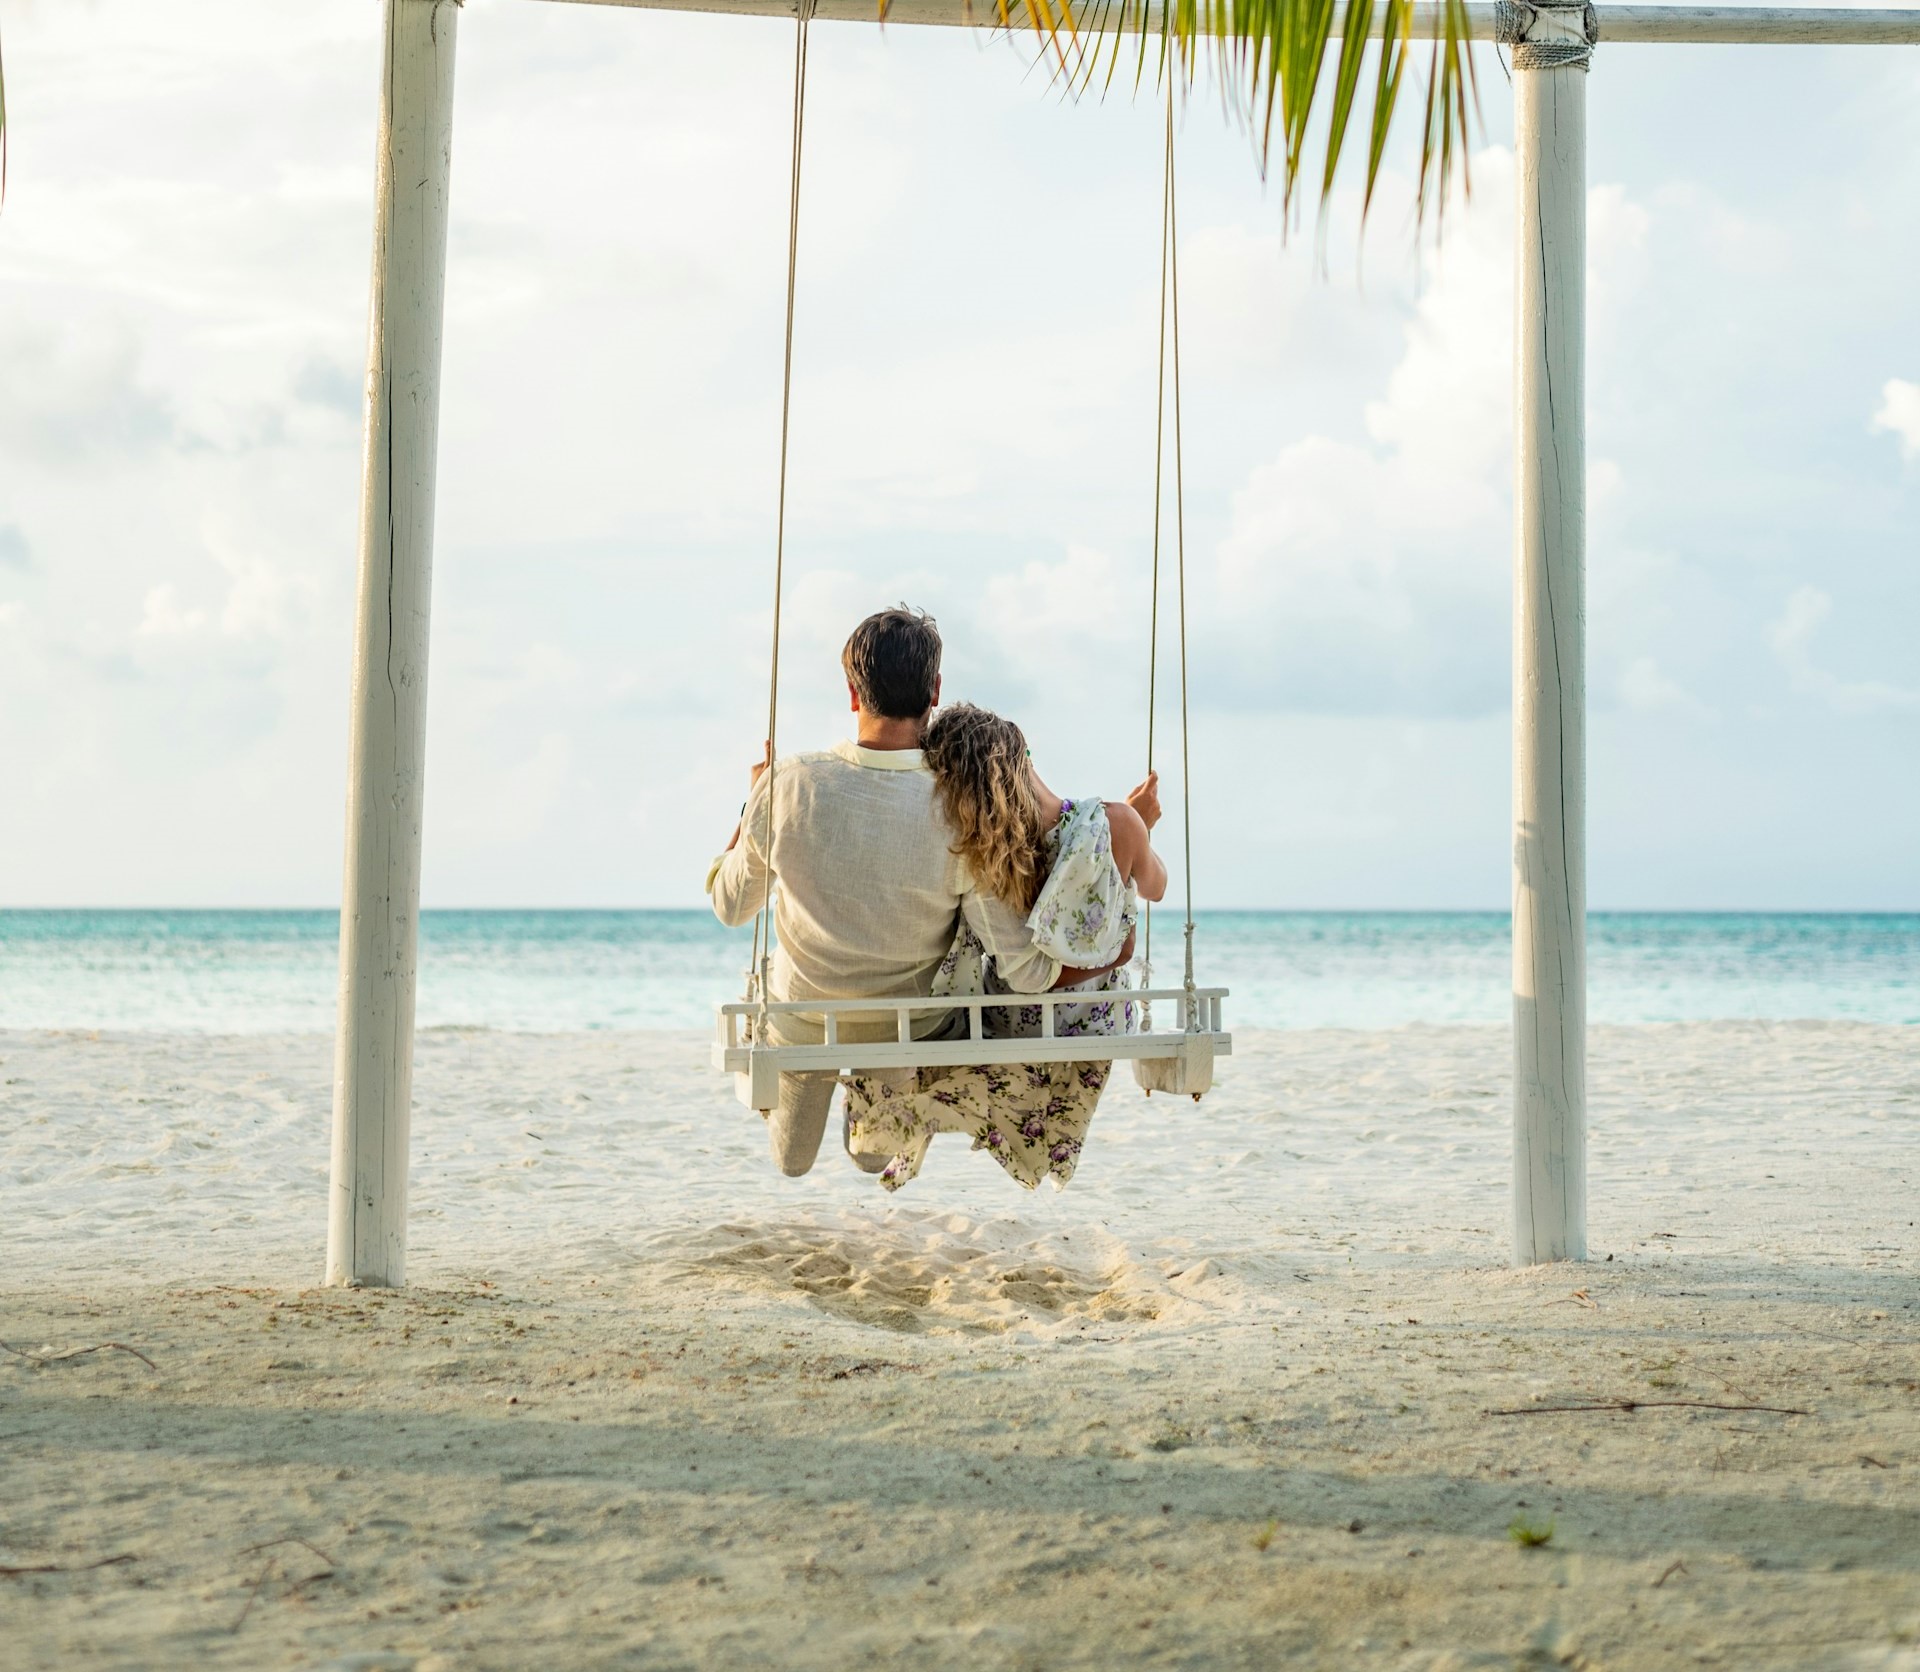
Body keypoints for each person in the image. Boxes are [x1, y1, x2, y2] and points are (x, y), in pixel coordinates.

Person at [707, 608, 1134, 1177]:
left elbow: (730, 906)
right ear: (935, 691)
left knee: (790, 1162)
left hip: (801, 1017)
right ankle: (868, 1107)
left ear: (853, 693)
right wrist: (1114, 950)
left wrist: (753, 801)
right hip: (906, 1030)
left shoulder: (788, 785)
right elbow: (1025, 972)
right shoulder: (961, 808)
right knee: (873, 1158)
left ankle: (829, 1090)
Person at [843, 703, 1167, 1192]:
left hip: (1007, 1016)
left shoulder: (988, 853)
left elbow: (1014, 969)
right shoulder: (1115, 823)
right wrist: (1139, 833)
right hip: (1090, 1021)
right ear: (1024, 757)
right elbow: (1156, 887)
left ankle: (892, 1115)